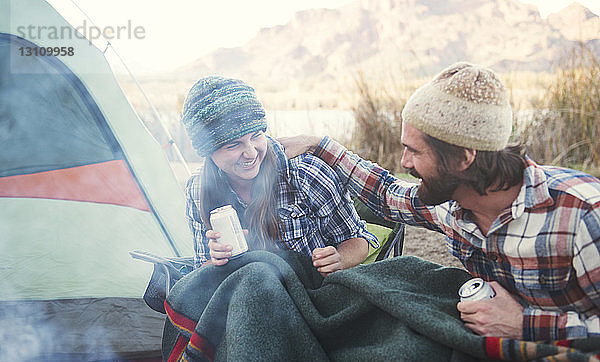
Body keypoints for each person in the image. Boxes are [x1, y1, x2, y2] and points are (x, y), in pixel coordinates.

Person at [280, 61, 600, 342]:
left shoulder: (581, 211)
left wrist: (524, 324)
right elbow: (388, 193)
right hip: (502, 348)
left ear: (463, 157)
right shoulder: (450, 205)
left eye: (415, 151)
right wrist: (319, 144)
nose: (404, 162)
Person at [181, 76, 378, 276]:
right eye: (234, 144)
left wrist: (339, 259)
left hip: (313, 295)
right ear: (208, 151)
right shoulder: (197, 190)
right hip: (249, 298)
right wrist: (217, 262)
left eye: (256, 135)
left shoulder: (306, 173)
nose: (251, 153)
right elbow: (200, 271)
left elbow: (359, 239)